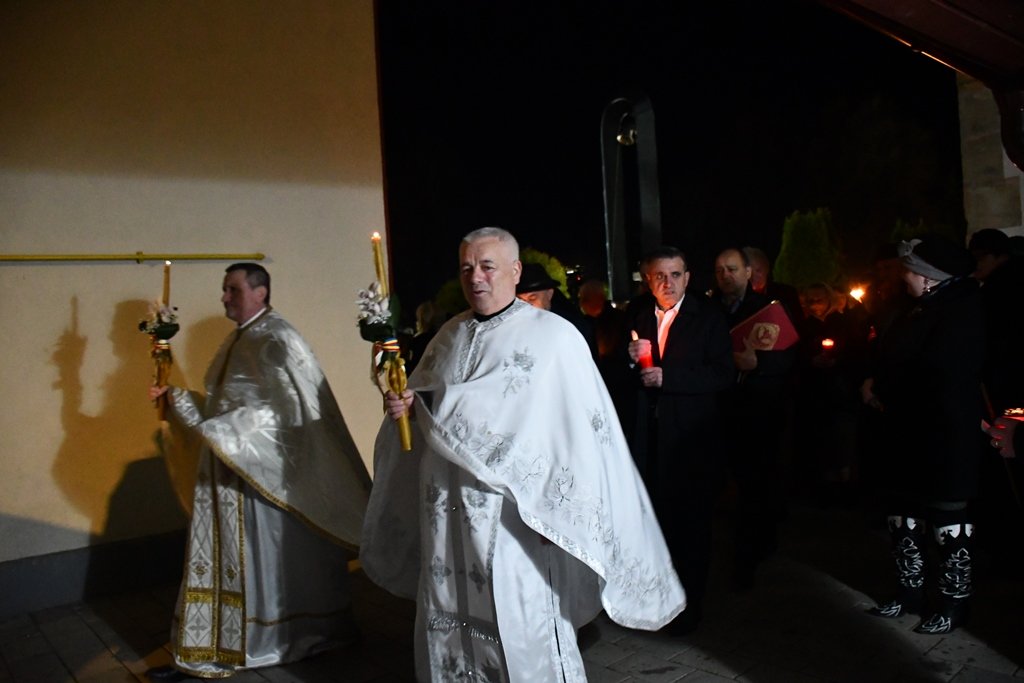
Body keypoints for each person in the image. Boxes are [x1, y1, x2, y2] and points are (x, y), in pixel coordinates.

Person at [360, 227, 684, 681]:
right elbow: (427, 401)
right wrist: (405, 405)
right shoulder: (449, 334)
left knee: (517, 616)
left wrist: (562, 512)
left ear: (514, 271)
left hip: (516, 513)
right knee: (450, 608)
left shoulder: (553, 337)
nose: (476, 277)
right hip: (448, 512)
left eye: (487, 266)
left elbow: (578, 432)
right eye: (467, 268)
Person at [147, 263, 371, 679]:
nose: (224, 297)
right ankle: (216, 645)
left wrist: (223, 431)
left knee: (261, 565)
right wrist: (178, 399)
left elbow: (294, 414)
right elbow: (222, 407)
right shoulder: (241, 337)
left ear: (260, 292)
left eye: (232, 289)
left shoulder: (278, 338)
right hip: (233, 468)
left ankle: (264, 642)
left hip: (266, 482)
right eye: (224, 289)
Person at [861, 236, 985, 634]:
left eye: (909, 270)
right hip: (905, 433)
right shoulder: (912, 308)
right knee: (903, 512)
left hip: (944, 435)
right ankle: (909, 592)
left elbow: (941, 370)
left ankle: (953, 601)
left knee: (947, 516)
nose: (903, 276)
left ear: (928, 277)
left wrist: (887, 389)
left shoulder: (961, 309)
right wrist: (875, 382)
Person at [624, 246, 735, 632]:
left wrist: (669, 379)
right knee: (654, 523)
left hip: (691, 439)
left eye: (675, 275)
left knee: (691, 525)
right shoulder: (637, 314)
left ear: (687, 278)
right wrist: (630, 358)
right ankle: (657, 600)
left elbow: (723, 374)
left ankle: (689, 606)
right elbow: (619, 373)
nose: (667, 283)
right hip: (649, 439)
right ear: (647, 280)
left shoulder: (708, 317)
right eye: (659, 276)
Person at [710, 247, 797, 590]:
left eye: (732, 269)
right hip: (717, 411)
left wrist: (759, 364)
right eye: (720, 270)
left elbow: (789, 355)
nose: (726, 276)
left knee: (754, 487)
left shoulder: (767, 309)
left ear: (748, 272)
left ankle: (749, 557)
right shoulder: (707, 310)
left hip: (757, 412)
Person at [515, 261, 598, 359]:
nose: (526, 306)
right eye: (520, 300)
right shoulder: (513, 329)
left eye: (532, 298)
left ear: (549, 294)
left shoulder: (572, 329)